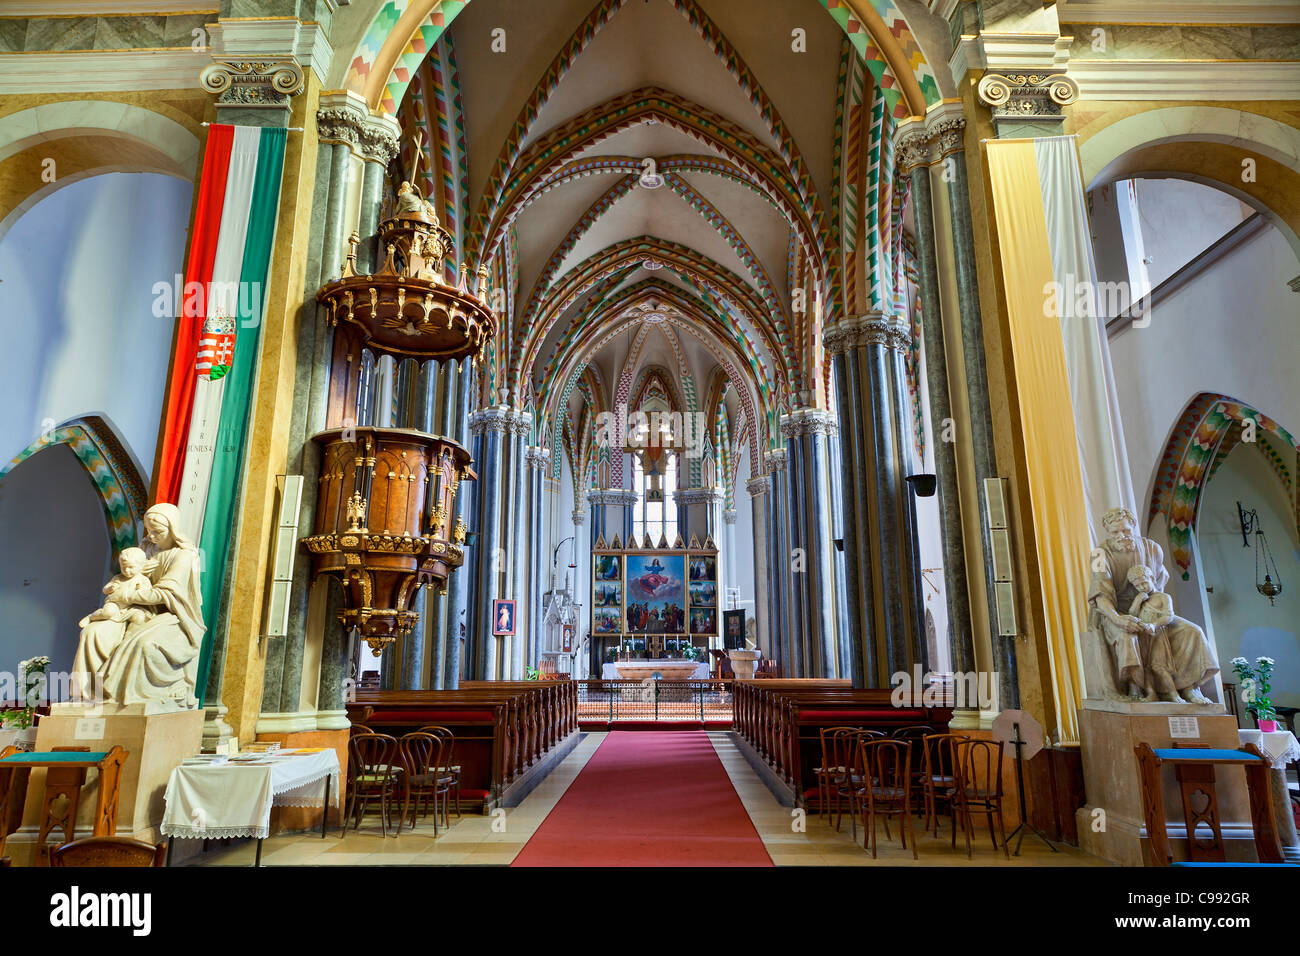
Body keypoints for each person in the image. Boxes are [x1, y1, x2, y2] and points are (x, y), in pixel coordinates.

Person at [1087, 507, 1218, 703]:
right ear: (1108, 532)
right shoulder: (1099, 555)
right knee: (1127, 637)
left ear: (1133, 526)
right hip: (1117, 613)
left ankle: (1189, 688)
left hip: (1151, 610)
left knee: (1192, 632)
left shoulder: (1153, 549)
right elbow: (1100, 594)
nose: (1121, 536)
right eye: (1115, 532)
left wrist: (1153, 612)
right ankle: (1140, 689)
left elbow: (1159, 585)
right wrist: (1118, 618)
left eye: (1125, 530)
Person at [81, 503, 206, 708]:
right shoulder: (146, 549)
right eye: (150, 532)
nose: (153, 537)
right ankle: (89, 696)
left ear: (173, 528)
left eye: (159, 532)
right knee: (92, 633)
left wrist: (128, 595)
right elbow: (126, 575)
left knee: (143, 643)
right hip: (135, 610)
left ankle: (127, 700)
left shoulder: (183, 555)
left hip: (173, 616)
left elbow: (164, 593)